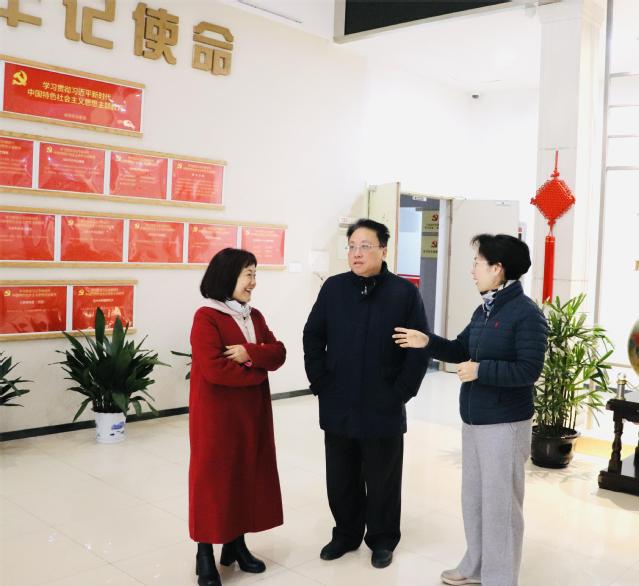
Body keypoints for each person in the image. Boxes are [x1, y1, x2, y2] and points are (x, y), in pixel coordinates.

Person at [393, 234, 547, 586]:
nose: (472, 270)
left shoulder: (526, 314)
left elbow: (529, 370)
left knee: (501, 507)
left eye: (478, 262)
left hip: (505, 423)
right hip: (475, 419)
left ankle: (500, 578)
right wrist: (426, 341)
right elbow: (460, 348)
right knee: (475, 499)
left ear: (498, 268)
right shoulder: (485, 310)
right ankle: (476, 565)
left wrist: (481, 370)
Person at [303, 218, 430, 569]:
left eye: (365, 246)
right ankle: (345, 534)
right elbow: (313, 335)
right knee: (340, 475)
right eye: (352, 247)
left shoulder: (404, 293)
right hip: (338, 400)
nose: (356, 253)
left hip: (383, 402)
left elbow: (419, 347)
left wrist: (401, 392)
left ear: (383, 250)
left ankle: (383, 539)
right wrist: (320, 381)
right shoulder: (333, 288)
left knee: (382, 477)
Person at [189, 248, 286, 586]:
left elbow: (278, 352)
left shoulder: (254, 316)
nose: (253, 282)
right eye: (249, 275)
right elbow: (214, 369)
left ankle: (235, 544)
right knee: (213, 481)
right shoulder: (206, 317)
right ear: (228, 276)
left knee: (245, 475)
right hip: (217, 417)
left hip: (252, 415)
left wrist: (249, 353)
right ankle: (204, 553)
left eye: (255, 275)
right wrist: (258, 370)